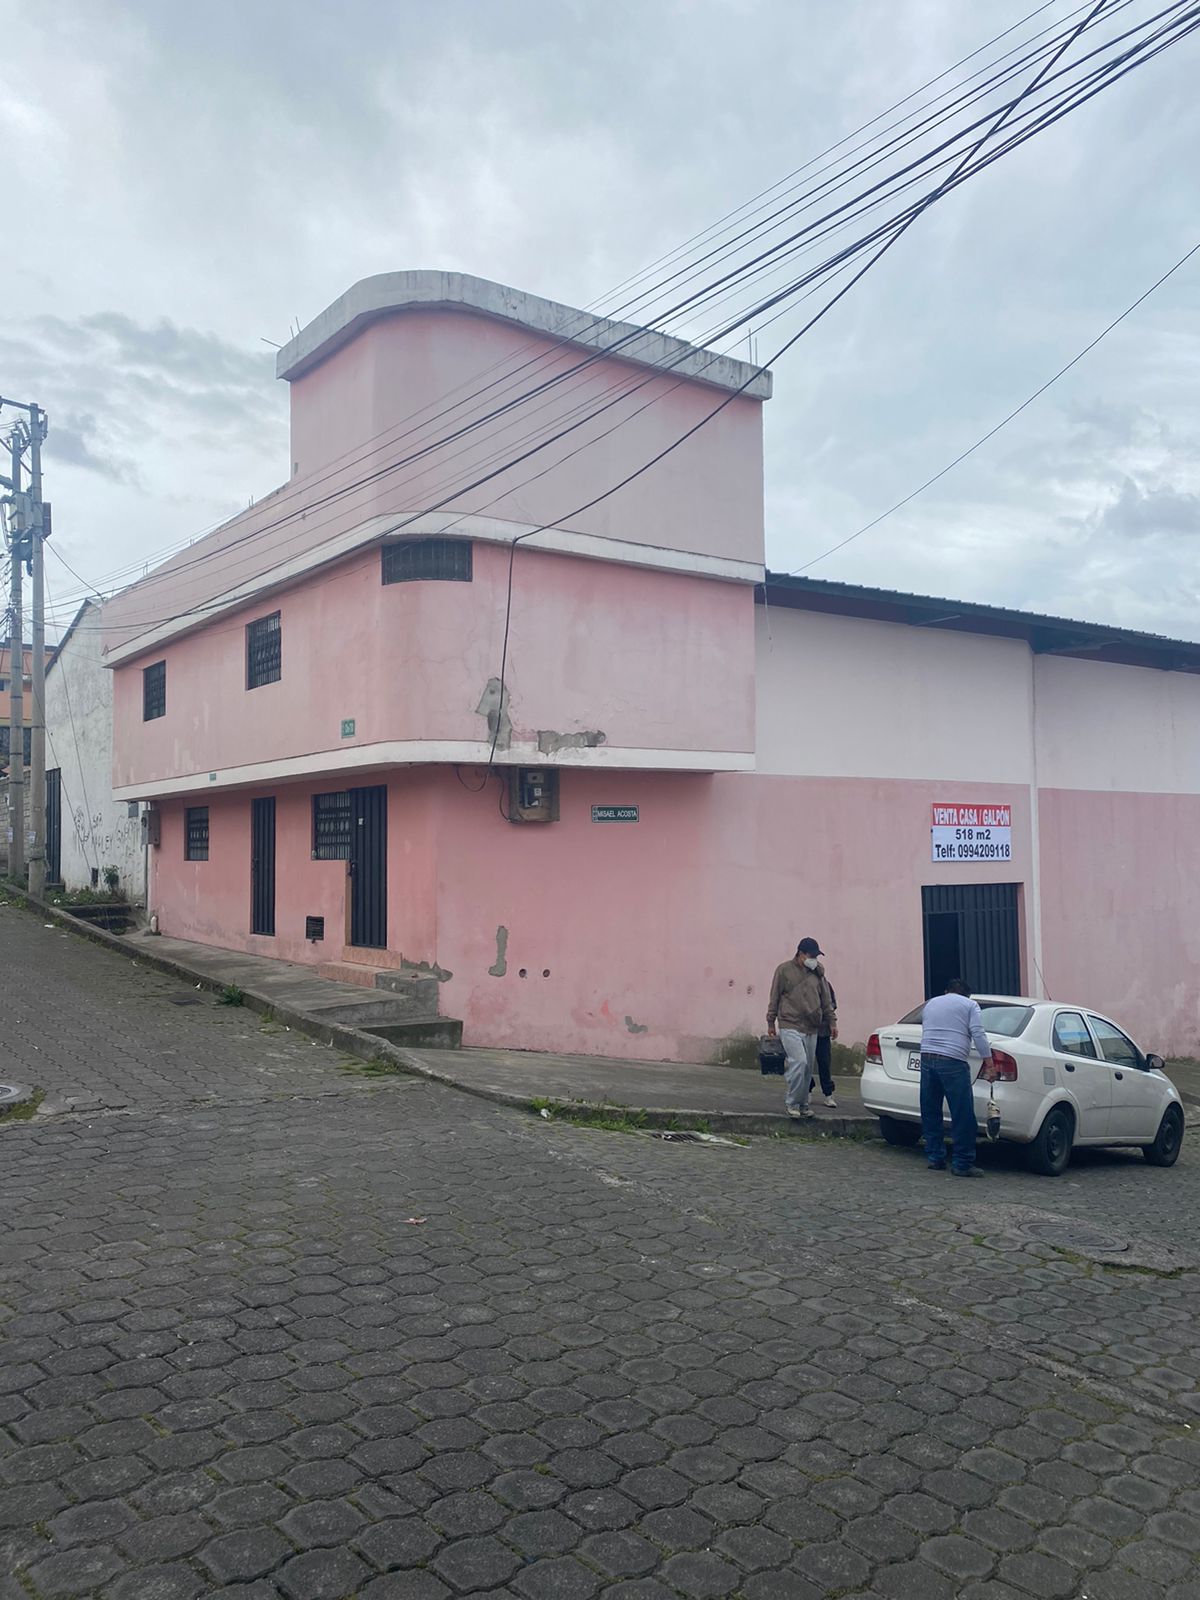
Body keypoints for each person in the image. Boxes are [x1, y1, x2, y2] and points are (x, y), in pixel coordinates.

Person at [919, 979, 996, 1176]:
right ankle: (962, 1163)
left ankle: (935, 1157)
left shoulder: (931, 1003)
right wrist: (989, 1064)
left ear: (947, 991)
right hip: (952, 1061)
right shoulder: (970, 1005)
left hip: (927, 1058)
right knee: (962, 1114)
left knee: (930, 1110)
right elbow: (978, 1033)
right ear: (966, 995)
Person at [766, 938, 837, 1119]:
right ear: (800, 953)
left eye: (816, 956)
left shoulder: (818, 974)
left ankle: (803, 1104)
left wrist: (832, 1022)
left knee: (807, 1069)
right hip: (789, 1023)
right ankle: (792, 1102)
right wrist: (771, 1021)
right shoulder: (784, 970)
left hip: (812, 1026)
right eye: (811, 955)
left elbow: (826, 1000)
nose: (814, 959)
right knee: (799, 1062)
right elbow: (774, 996)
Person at [811, 979, 839, 1108]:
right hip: (806, 1030)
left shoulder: (826, 984)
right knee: (805, 1064)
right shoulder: (803, 983)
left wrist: (830, 1022)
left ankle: (828, 1094)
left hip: (823, 1031)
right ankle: (807, 1091)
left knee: (824, 1063)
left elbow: (832, 1005)